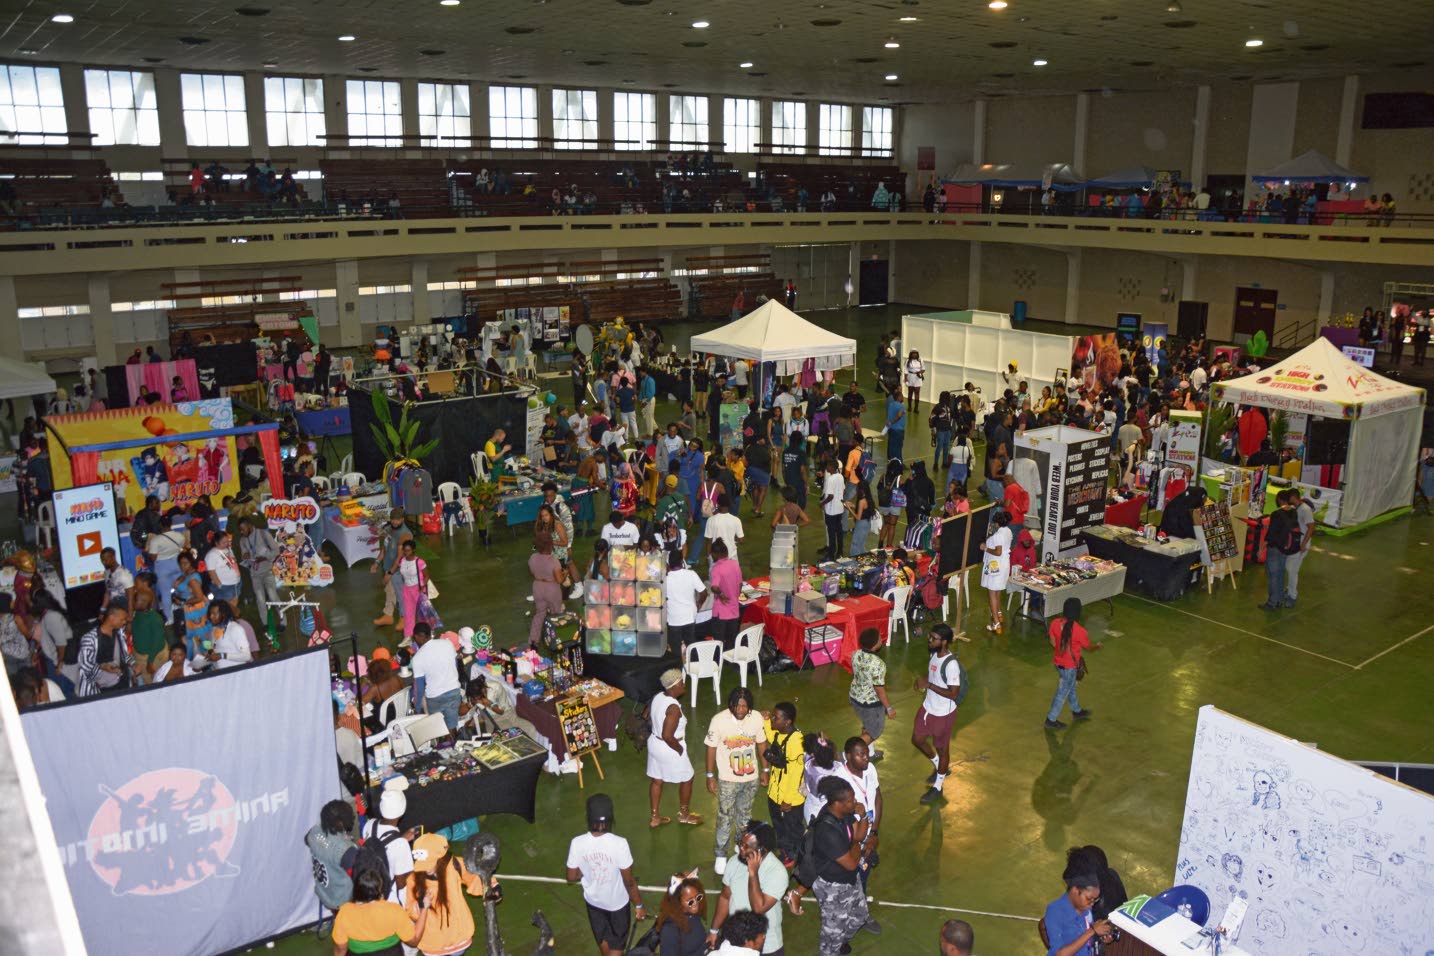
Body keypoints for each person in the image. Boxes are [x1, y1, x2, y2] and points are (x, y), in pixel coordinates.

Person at [785, 776, 872, 956]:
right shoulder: (827, 830)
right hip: (832, 887)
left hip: (849, 879)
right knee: (832, 936)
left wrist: (863, 816)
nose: (855, 802)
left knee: (860, 916)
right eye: (851, 800)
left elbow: (859, 836)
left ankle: (840, 943)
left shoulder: (844, 813)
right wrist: (859, 848)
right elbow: (851, 863)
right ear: (838, 803)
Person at [566, 793, 647, 956]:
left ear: (588, 817)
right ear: (611, 817)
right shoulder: (619, 844)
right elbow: (629, 881)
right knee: (616, 948)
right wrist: (639, 906)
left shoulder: (577, 843)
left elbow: (571, 877)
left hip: (593, 903)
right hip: (617, 906)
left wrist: (586, 870)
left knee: (604, 943)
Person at [705, 685, 767, 876]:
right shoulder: (718, 721)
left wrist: (765, 769)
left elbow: (761, 744)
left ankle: (741, 845)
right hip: (728, 780)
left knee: (744, 817)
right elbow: (711, 749)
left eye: (744, 706)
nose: (740, 710)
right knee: (725, 817)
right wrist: (710, 775)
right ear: (730, 705)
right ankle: (721, 854)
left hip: (751, 778)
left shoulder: (756, 718)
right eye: (737, 706)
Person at [402, 832, 492, 956]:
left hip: (459, 938)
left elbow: (476, 876)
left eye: (430, 863)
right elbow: (409, 908)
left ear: (441, 858)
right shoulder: (412, 878)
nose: (426, 868)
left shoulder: (455, 865)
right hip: (433, 944)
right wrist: (421, 906)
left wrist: (493, 886)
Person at [708, 821, 787, 956]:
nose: (741, 849)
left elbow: (758, 908)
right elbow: (725, 897)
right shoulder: (734, 862)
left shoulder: (777, 872)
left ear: (762, 850)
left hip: (766, 948)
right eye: (741, 843)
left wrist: (753, 874)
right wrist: (714, 931)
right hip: (734, 942)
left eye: (746, 846)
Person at [912, 623, 962, 805]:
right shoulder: (933, 654)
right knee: (917, 739)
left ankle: (938, 787)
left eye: (934, 638)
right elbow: (933, 677)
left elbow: (954, 693)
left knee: (943, 750)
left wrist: (929, 685)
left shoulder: (951, 665)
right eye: (930, 636)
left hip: (943, 713)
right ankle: (939, 765)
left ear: (944, 642)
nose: (930, 640)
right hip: (928, 707)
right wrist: (923, 682)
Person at [331, 868, 431, 956]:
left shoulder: (345, 912)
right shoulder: (394, 910)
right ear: (380, 890)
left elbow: (340, 949)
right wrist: (424, 908)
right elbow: (414, 941)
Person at [649, 669, 703, 828]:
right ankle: (684, 815)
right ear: (674, 687)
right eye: (681, 683)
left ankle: (655, 817)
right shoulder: (673, 709)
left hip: (654, 743)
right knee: (688, 777)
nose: (684, 685)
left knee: (657, 780)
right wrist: (679, 749)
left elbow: (648, 717)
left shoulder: (658, 697)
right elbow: (667, 735)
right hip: (669, 748)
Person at [1045, 597, 1101, 729]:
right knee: (1062, 692)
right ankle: (1051, 719)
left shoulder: (1055, 623)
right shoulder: (1080, 631)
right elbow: (1089, 649)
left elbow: (1053, 642)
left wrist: (1061, 651)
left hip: (1058, 663)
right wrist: (1098, 646)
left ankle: (1077, 711)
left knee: (1070, 687)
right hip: (1070, 667)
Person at [1043, 851, 1113, 956]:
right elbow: (1060, 954)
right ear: (1075, 890)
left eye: (1095, 899)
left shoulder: (1086, 907)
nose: (1092, 903)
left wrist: (1101, 936)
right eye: (1089, 898)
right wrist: (1092, 931)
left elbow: (1086, 939)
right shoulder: (1055, 911)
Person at [761, 702, 805, 865]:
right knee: (779, 825)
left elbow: (796, 775)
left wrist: (788, 799)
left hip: (789, 799)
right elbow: (771, 737)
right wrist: (767, 721)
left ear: (787, 722)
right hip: (775, 793)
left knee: (792, 828)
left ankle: (796, 855)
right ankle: (786, 851)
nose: (773, 719)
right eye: (773, 716)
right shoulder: (780, 734)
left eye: (776, 718)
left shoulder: (796, 742)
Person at [360, 788, 417, 907]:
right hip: (390, 900)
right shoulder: (400, 845)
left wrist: (401, 838)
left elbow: (379, 847)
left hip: (370, 889)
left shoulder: (369, 824)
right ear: (402, 811)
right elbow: (402, 883)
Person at [306, 799, 359, 915]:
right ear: (340, 823)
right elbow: (359, 877)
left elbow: (307, 840)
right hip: (342, 902)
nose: (352, 819)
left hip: (324, 892)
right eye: (350, 817)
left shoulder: (314, 832)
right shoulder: (346, 851)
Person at [848, 628, 895, 758]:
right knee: (874, 731)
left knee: (868, 725)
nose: (881, 640)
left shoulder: (856, 654)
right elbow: (879, 690)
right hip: (870, 704)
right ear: (875, 644)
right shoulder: (878, 664)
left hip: (855, 697)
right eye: (879, 638)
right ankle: (850, 755)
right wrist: (889, 708)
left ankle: (871, 753)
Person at [411, 622, 462, 731]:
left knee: (439, 730)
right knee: (452, 726)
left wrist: (417, 708)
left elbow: (419, 689)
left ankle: (442, 740)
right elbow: (455, 666)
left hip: (434, 697)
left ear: (417, 636)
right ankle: (453, 741)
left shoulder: (417, 658)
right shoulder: (447, 643)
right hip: (453, 691)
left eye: (414, 638)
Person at [1261, 489, 1303, 611]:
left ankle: (1272, 602)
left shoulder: (1276, 514)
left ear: (1279, 500)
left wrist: (1261, 548)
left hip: (1274, 548)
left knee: (1273, 575)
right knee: (1280, 574)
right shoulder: (1294, 512)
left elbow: (1271, 534)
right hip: (1286, 548)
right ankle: (1279, 599)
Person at [372, 513, 414, 628]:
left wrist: (390, 573)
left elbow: (400, 557)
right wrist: (377, 562)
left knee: (401, 594)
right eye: (393, 519)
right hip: (389, 567)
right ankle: (388, 616)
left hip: (399, 570)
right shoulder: (388, 529)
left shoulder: (405, 534)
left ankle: (404, 618)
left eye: (398, 519)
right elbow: (384, 548)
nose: (395, 522)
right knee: (389, 591)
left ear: (402, 519)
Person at [663, 551, 708, 656]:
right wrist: (699, 603)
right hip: (689, 616)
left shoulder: (665, 579)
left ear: (668, 563)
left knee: (675, 649)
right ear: (682, 561)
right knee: (691, 644)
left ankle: (679, 664)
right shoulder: (691, 574)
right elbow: (704, 592)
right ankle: (693, 664)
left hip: (673, 619)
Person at [656, 873, 708, 956]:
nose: (696, 903)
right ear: (677, 901)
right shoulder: (669, 930)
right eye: (690, 901)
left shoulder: (692, 913)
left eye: (698, 897)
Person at [529, 534, 566, 647]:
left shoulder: (532, 557)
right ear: (550, 545)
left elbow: (532, 573)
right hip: (552, 589)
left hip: (537, 586)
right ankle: (557, 639)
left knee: (539, 614)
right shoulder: (554, 561)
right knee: (556, 614)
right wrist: (565, 573)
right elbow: (559, 580)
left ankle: (533, 641)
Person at [980, 510, 1013, 633]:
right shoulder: (1008, 531)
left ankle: (996, 623)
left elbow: (998, 552)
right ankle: (999, 613)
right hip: (1004, 565)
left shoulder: (998, 536)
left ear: (997, 523)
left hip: (995, 566)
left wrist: (985, 548)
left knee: (991, 594)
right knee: (998, 591)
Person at [707, 539, 743, 648]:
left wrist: (721, 594)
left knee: (719, 642)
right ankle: (730, 656)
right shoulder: (735, 564)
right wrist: (735, 595)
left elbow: (714, 587)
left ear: (715, 554)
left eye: (711, 554)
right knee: (732, 640)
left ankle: (720, 657)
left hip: (721, 613)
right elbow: (740, 584)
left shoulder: (716, 569)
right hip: (734, 609)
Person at [1283, 489, 1315, 609]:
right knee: (1290, 567)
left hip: (1301, 545)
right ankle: (1289, 590)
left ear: (1293, 497)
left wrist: (1304, 544)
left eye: (1289, 497)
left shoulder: (1305, 510)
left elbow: (1311, 528)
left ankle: (1292, 595)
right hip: (1295, 543)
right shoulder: (1295, 508)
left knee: (1292, 570)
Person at [200, 599, 253, 668]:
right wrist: (202, 663)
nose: (211, 617)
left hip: (238, 672)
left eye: (214, 614)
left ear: (223, 614)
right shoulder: (214, 630)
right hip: (222, 673)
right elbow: (214, 653)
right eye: (210, 614)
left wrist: (222, 655)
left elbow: (247, 656)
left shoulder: (235, 629)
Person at [204, 530, 242, 616]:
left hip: (235, 583)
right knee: (225, 607)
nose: (226, 544)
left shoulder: (228, 549)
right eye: (223, 542)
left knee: (234, 603)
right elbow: (211, 572)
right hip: (225, 586)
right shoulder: (212, 555)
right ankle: (227, 620)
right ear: (216, 543)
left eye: (227, 541)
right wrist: (219, 584)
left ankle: (232, 619)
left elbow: (233, 562)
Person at [704, 494, 744, 565]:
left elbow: (709, 541)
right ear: (729, 505)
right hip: (732, 557)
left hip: (716, 558)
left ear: (717, 505)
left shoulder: (711, 520)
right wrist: (733, 537)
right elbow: (741, 540)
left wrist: (708, 556)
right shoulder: (736, 520)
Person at [819, 459, 846, 561]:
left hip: (831, 511)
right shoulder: (840, 476)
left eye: (827, 466)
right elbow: (843, 489)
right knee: (839, 531)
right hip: (839, 509)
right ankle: (840, 552)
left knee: (831, 533)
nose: (826, 467)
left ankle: (831, 554)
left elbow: (830, 496)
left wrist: (822, 503)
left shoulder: (831, 479)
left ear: (831, 467)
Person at [883, 386, 906, 462]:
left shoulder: (891, 405)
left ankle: (890, 460)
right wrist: (892, 422)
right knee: (898, 447)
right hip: (898, 430)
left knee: (891, 446)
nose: (903, 397)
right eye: (902, 396)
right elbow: (899, 416)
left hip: (891, 429)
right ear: (899, 397)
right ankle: (899, 462)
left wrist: (889, 423)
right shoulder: (900, 406)